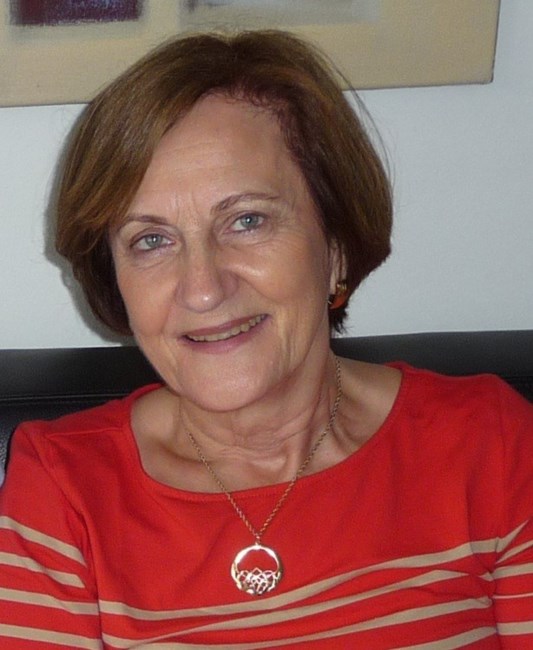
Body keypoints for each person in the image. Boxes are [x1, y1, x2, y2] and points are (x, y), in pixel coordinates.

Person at [1, 30, 532, 649]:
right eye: (152, 240)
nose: (203, 289)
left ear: (335, 245)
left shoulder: (488, 446)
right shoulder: (65, 490)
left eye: (247, 220)